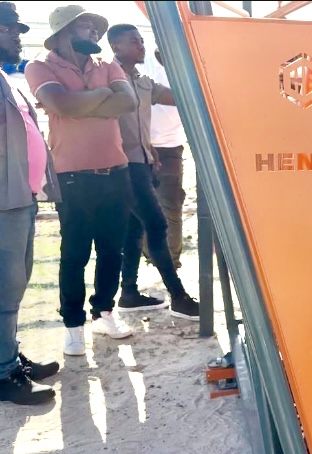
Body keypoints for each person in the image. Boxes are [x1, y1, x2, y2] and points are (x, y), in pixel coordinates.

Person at [25, 5, 138, 355]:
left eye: (95, 27)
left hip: (116, 171)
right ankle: (73, 325)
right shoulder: (39, 66)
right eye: (86, 26)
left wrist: (82, 102)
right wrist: (103, 96)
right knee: (74, 253)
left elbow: (129, 102)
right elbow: (62, 106)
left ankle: (104, 312)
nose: (95, 32)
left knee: (112, 250)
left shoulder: (107, 64)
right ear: (64, 32)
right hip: (72, 175)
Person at [107, 24, 199, 320]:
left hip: (144, 162)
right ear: (116, 47)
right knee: (157, 225)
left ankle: (129, 294)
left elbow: (178, 96)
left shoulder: (143, 82)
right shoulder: (106, 78)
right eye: (134, 41)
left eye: (141, 40)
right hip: (123, 166)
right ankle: (179, 297)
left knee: (134, 230)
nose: (141, 45)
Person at [0, 0, 60, 405]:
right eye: (8, 30)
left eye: (18, 30)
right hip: (4, 202)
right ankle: (4, 374)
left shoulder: (8, 78)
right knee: (4, 288)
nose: (17, 37)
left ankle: (7, 356)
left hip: (21, 197)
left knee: (14, 286)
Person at [141, 47, 187, 270]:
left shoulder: (187, 65)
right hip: (139, 147)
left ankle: (170, 261)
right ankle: (149, 256)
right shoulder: (142, 63)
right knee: (140, 206)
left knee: (171, 205)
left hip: (170, 147)